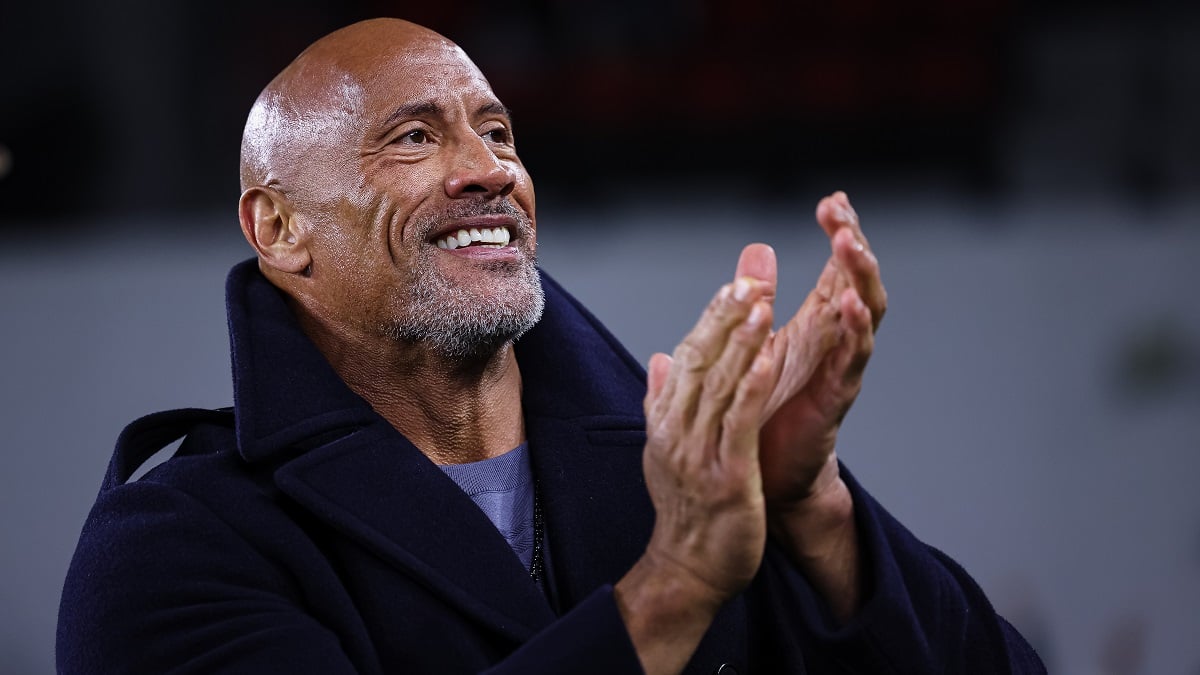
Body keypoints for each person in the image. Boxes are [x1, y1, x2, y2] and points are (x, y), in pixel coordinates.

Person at [57, 18, 1046, 675]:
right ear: (278, 229)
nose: (488, 169)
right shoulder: (171, 551)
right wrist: (674, 591)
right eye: (413, 138)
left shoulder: (697, 471)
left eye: (498, 132)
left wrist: (814, 509)